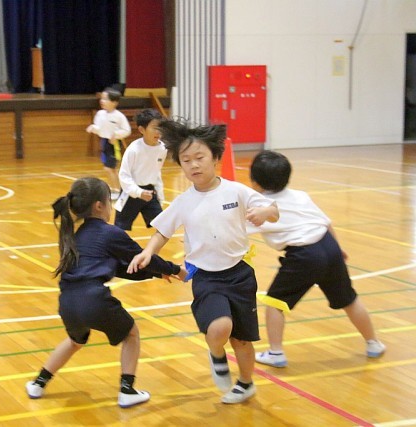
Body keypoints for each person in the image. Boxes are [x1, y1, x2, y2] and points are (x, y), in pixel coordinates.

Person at [127, 119, 279, 404]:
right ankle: (217, 353)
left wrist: (265, 213)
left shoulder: (235, 191)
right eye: (186, 160)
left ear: (215, 158)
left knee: (242, 339)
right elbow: (163, 230)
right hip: (207, 277)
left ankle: (246, 383)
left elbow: (273, 209)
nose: (193, 165)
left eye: (200, 157)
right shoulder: (184, 201)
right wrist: (148, 251)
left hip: (240, 275)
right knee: (220, 327)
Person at [25, 177, 186, 408]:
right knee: (131, 335)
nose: (112, 207)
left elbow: (124, 268)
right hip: (94, 300)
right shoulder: (110, 233)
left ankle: (38, 383)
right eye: (110, 202)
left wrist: (155, 274)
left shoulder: (76, 236)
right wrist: (175, 269)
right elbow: (144, 258)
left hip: (67, 302)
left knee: (74, 341)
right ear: (99, 206)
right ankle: (127, 390)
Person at [248, 150, 385, 367]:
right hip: (328, 246)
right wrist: (338, 249)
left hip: (304, 256)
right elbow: (325, 222)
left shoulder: (259, 209)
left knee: (275, 303)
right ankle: (373, 343)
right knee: (349, 299)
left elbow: (237, 230)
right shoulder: (300, 195)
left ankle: (276, 353)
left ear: (255, 182)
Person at [114, 108, 167, 231]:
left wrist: (160, 195)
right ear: (142, 130)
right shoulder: (133, 149)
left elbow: (156, 172)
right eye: (154, 127)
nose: (158, 131)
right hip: (131, 193)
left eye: (160, 127)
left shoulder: (162, 149)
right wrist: (138, 192)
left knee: (162, 226)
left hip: (150, 193)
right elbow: (124, 175)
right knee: (119, 229)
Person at [86, 88, 131, 199]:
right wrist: (93, 128)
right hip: (104, 142)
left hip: (114, 144)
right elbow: (100, 129)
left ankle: (118, 190)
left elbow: (127, 130)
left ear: (114, 102)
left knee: (110, 168)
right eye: (102, 98)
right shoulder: (100, 114)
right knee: (109, 168)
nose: (102, 101)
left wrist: (116, 135)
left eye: (106, 99)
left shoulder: (119, 116)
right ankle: (115, 188)